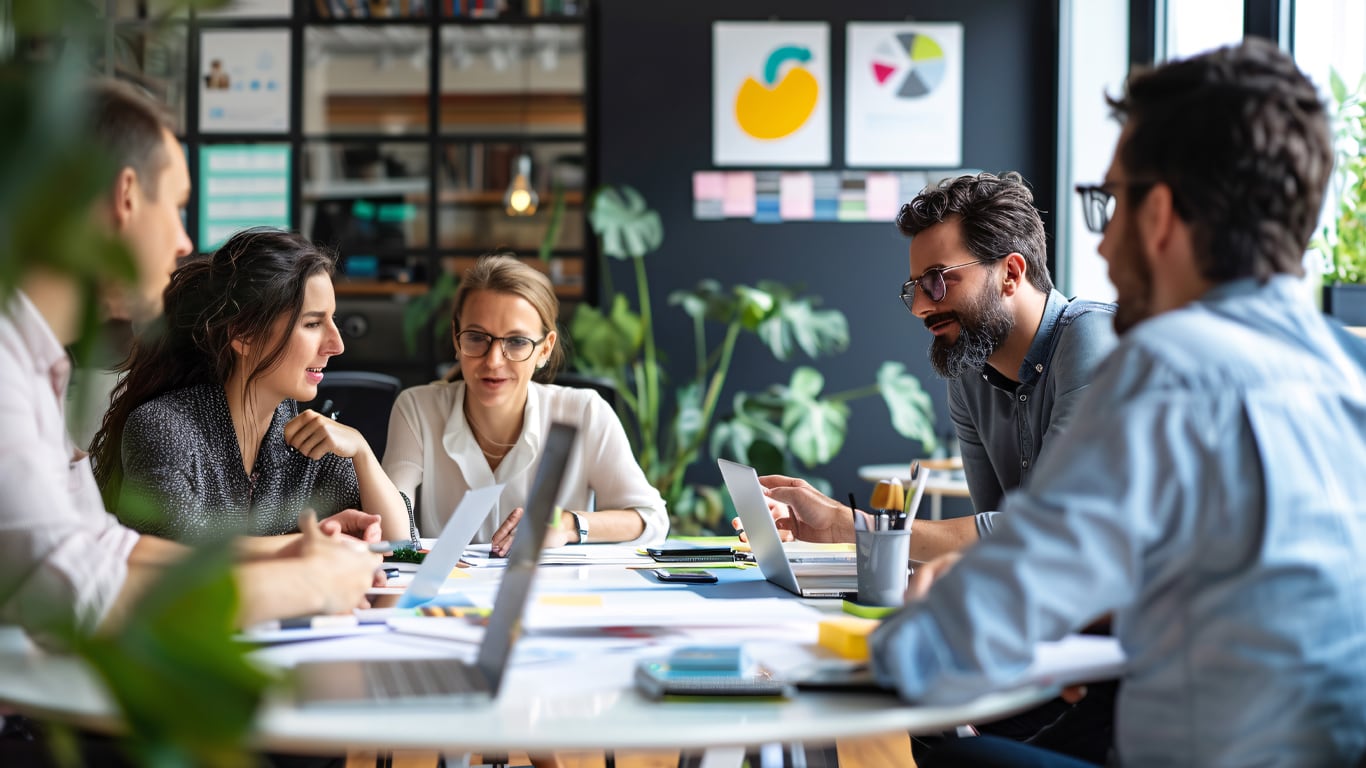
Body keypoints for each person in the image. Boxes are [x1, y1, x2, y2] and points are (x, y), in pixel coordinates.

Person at [871, 39, 1366, 767]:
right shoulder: (1349, 362)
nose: (1101, 250)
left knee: (947, 747)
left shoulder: (1167, 367)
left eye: (1110, 204)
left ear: (1160, 214)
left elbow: (941, 647)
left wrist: (904, 632)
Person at [0, 80, 382, 650]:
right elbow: (70, 588)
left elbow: (102, 547)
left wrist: (287, 552)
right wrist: (307, 582)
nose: (185, 243)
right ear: (126, 197)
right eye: (177, 206)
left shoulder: (31, 364)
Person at [755, 172, 1117, 564]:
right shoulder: (969, 374)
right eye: (914, 289)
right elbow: (994, 545)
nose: (919, 308)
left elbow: (1047, 532)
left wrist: (846, 526)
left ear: (1010, 274)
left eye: (937, 281)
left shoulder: (1094, 341)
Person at [91, 227, 413, 544]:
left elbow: (399, 541)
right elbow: (173, 560)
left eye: (332, 321)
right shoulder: (165, 427)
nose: (337, 344)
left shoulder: (303, 441)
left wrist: (361, 451)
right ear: (243, 335)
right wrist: (302, 545)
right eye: (313, 323)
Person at [383, 252, 668, 554]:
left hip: (552, 597)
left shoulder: (584, 412)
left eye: (517, 341)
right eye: (477, 337)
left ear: (545, 349)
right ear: (457, 338)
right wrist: (362, 453)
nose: (493, 361)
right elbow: (391, 530)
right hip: (444, 596)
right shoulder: (417, 410)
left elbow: (650, 519)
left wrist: (568, 525)